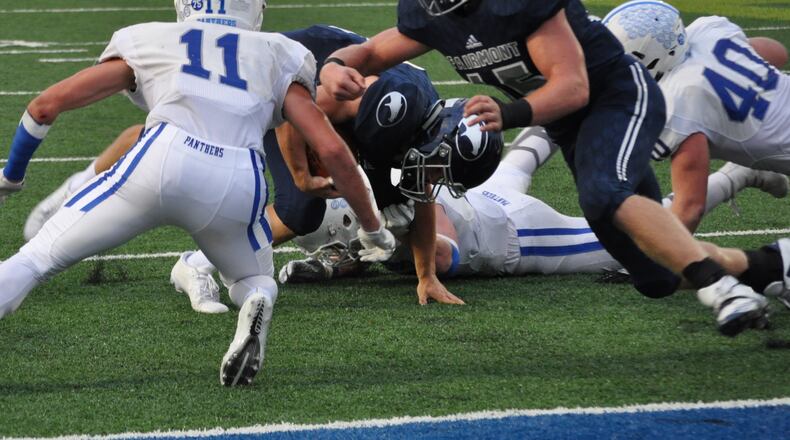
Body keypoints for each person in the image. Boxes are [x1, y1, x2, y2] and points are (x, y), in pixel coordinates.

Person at [316, 0, 790, 336]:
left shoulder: (516, 5)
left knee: (604, 194)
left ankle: (724, 289)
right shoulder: (431, 14)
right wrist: (336, 65)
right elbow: (375, 51)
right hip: (562, 122)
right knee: (655, 275)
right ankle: (772, 266)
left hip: (615, 99)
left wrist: (512, 113)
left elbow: (575, 87)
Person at [0, 1, 396, 386]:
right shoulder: (280, 52)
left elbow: (44, 106)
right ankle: (257, 303)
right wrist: (373, 226)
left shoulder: (153, 38)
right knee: (255, 280)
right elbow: (332, 151)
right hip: (238, 178)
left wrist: (12, 176)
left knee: (35, 260)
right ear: (256, 9)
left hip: (161, 160)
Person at [18, 24, 503, 307]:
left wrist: (425, 276)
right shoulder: (387, 107)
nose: (434, 178)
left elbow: (420, 194)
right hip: (281, 74)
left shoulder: (415, 137)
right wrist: (298, 173)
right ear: (437, 136)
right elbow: (304, 106)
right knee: (300, 206)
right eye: (440, 167)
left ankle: (198, 253)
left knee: (375, 194)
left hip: (311, 97)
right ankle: (106, 195)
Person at [281, 126, 785, 285]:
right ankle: (558, 115)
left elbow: (440, 254)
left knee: (645, 237)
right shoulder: (368, 194)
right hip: (481, 202)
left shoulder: (389, 212)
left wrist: (372, 251)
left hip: (513, 234)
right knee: (520, 159)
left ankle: (740, 173)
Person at [603, 1, 790, 232]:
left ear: (647, 58)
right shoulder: (707, 31)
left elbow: (690, 208)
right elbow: (778, 53)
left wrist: (659, 265)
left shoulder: (677, 103)